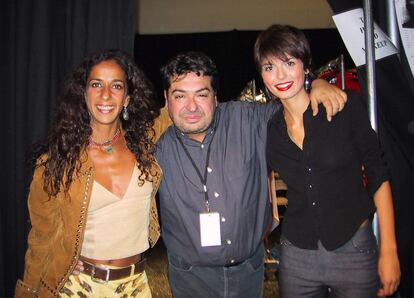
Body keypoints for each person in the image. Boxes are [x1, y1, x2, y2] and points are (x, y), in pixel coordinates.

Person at [155, 51, 346, 297]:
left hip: (248, 273)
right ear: (166, 99)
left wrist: (316, 85)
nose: (191, 106)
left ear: (215, 97)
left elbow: (295, 111)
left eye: (201, 94)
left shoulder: (248, 120)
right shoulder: (155, 144)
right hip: (191, 278)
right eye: (180, 96)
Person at [256, 24, 401, 297]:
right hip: (297, 257)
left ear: (305, 65)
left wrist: (389, 250)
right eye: (269, 67)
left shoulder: (344, 108)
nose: (280, 75)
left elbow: (379, 174)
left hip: (354, 251)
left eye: (289, 62)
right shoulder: (270, 130)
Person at [15, 49, 171, 297]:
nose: (106, 95)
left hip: (137, 286)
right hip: (79, 288)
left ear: (128, 98)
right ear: (84, 94)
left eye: (117, 86)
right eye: (96, 84)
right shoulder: (56, 163)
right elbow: (41, 241)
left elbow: (183, 109)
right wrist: (31, 290)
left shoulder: (143, 140)